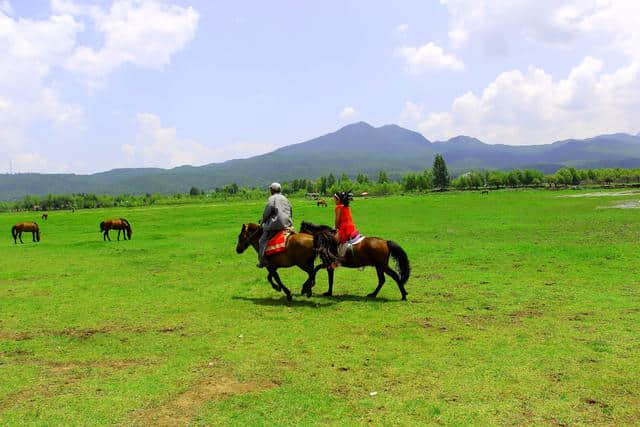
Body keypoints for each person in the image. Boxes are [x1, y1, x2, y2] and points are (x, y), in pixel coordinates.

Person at [258, 182, 293, 268]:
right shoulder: (286, 198)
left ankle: (262, 261)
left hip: (276, 225)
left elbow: (267, 212)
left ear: (272, 190)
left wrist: (262, 221)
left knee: (262, 241)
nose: (270, 190)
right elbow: (290, 210)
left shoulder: (272, 198)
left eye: (270, 189)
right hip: (287, 224)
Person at [331, 191, 360, 268]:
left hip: (344, 228)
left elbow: (337, 222)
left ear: (338, 200)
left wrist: (335, 227)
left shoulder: (338, 207)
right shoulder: (346, 206)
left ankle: (336, 261)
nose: (333, 200)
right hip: (351, 227)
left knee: (333, 241)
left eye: (334, 199)